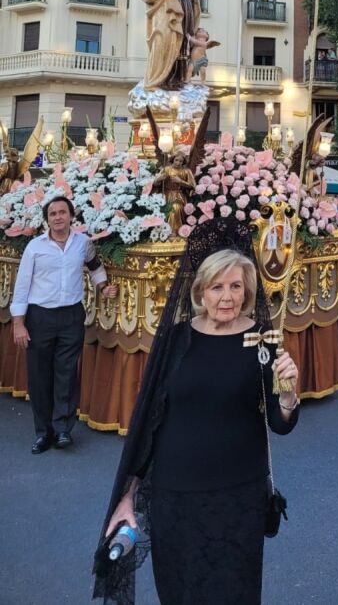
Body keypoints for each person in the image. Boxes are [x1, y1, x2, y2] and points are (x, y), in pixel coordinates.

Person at [94, 220, 299, 605]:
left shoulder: (263, 342)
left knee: (234, 593)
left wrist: (289, 394)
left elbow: (280, 422)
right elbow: (149, 422)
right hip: (176, 495)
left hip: (238, 495)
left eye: (236, 286)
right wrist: (128, 494)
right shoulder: (175, 341)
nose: (227, 296)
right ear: (200, 292)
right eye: (217, 287)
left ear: (248, 290)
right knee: (180, 592)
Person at [11, 196, 118, 453]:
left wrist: (103, 286)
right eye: (52, 214)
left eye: (62, 212)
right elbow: (22, 285)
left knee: (66, 374)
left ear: (71, 216)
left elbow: (94, 266)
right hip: (40, 317)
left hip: (71, 316)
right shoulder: (35, 247)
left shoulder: (83, 243)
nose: (57, 217)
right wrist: (19, 323)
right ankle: (43, 432)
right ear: (46, 219)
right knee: (40, 376)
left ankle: (62, 430)